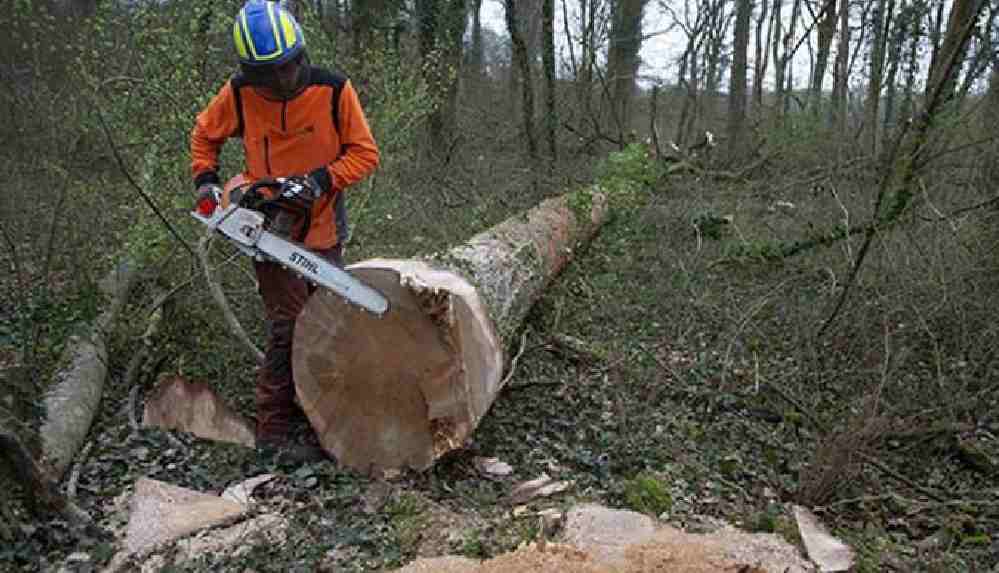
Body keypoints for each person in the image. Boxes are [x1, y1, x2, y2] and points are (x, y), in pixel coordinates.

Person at [190, 0, 379, 460]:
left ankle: (327, 415)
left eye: (289, 66)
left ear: (301, 55)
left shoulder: (333, 90)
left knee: (333, 321)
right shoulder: (238, 94)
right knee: (289, 327)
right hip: (268, 227)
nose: (283, 80)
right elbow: (204, 135)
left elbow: (365, 153)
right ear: (250, 72)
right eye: (269, 73)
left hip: (323, 222)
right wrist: (207, 179)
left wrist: (319, 181)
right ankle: (276, 429)